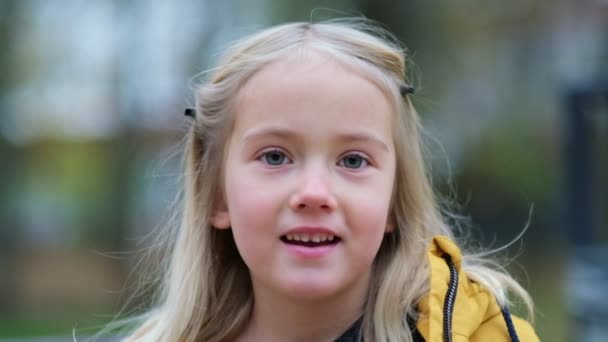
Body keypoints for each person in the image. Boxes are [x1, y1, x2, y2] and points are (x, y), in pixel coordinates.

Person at [124, 19, 539, 342]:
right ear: (216, 195)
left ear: (396, 198)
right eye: (274, 156)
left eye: (354, 161)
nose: (314, 194)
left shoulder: (471, 333)